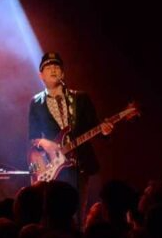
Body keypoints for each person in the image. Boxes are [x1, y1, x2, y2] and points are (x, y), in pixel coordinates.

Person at [28, 52, 111, 214]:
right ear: (41, 75)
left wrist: (105, 131)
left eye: (56, 66)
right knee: (55, 212)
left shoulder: (80, 98)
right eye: (48, 67)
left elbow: (95, 126)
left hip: (79, 165)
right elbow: (33, 137)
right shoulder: (36, 102)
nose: (53, 69)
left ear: (63, 73)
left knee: (78, 211)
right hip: (53, 167)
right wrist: (47, 143)